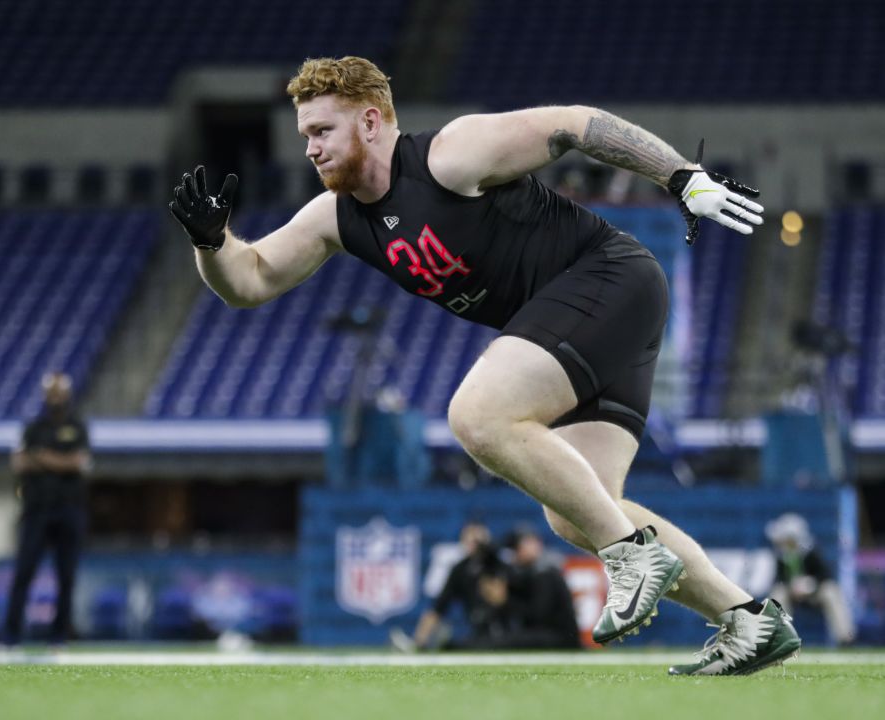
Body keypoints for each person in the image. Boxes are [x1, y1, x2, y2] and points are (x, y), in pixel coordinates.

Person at [168, 56, 799, 675]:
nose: (309, 148)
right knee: (577, 511)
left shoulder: (451, 154)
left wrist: (682, 175)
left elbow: (576, 122)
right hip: (584, 322)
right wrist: (210, 243)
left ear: (368, 121)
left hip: (609, 282)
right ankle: (749, 619)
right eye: (305, 134)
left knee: (478, 415)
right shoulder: (336, 216)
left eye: (321, 131)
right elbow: (248, 282)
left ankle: (633, 557)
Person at [0, 372, 92, 648]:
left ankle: (59, 636)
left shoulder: (77, 427)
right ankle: (10, 635)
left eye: (59, 391)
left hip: (69, 510)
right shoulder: (33, 428)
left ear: (68, 394)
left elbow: (78, 463)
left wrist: (42, 458)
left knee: (66, 577)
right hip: (36, 510)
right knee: (23, 573)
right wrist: (57, 461)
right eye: (51, 392)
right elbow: (18, 463)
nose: (55, 397)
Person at [393, 521, 506, 651]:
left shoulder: (498, 564)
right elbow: (439, 607)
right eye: (470, 539)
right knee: (453, 646)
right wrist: (419, 642)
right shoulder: (461, 569)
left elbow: (500, 599)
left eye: (478, 540)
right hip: (480, 630)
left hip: (506, 628)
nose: (474, 544)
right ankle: (421, 644)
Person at [766, 513, 856, 645]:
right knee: (778, 594)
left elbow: (826, 575)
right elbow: (777, 579)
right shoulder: (780, 555)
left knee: (831, 592)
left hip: (813, 593)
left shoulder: (811, 552)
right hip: (792, 593)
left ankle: (845, 638)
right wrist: (791, 585)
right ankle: (779, 637)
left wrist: (811, 584)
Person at [501, 525, 582, 650]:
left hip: (559, 637)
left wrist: (505, 601)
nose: (533, 546)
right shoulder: (526, 572)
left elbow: (539, 616)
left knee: (506, 641)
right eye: (526, 543)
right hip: (550, 634)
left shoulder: (545, 572)